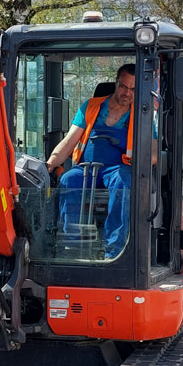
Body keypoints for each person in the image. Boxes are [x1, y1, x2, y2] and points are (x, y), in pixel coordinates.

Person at [45, 63, 140, 259]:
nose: (127, 93)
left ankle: (114, 250)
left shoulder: (142, 115)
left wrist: (150, 158)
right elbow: (70, 140)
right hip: (86, 169)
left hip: (117, 170)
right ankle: (70, 245)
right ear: (116, 83)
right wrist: (51, 163)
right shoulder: (91, 106)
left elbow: (153, 150)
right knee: (68, 179)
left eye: (132, 89)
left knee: (124, 182)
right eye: (123, 86)